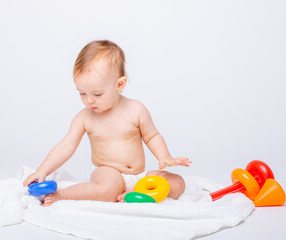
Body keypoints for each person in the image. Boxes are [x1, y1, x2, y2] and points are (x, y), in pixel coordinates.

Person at [23, 40, 191, 206]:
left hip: (139, 175)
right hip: (108, 173)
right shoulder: (84, 118)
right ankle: (60, 195)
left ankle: (134, 193)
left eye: (97, 94)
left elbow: (152, 136)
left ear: (119, 84)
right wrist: (42, 171)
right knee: (107, 190)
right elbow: (65, 146)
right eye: (82, 93)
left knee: (177, 183)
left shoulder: (136, 109)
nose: (89, 100)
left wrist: (164, 156)